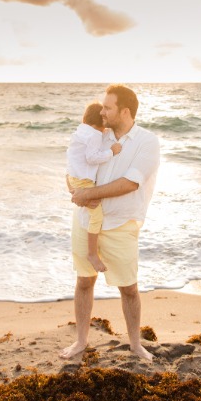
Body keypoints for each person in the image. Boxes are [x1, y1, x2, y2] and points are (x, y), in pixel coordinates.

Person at [60, 84, 160, 361]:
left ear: (125, 111)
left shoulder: (147, 142)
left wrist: (89, 193)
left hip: (120, 224)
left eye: (107, 107)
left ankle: (136, 344)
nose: (101, 111)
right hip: (84, 221)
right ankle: (81, 341)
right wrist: (74, 191)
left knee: (128, 287)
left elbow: (130, 182)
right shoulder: (97, 134)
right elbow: (72, 167)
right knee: (83, 282)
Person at [66, 101, 122, 273]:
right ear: (102, 122)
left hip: (72, 176)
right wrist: (112, 151)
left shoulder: (80, 130)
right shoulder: (95, 136)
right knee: (96, 217)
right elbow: (92, 157)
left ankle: (79, 197)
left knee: (89, 205)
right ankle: (92, 253)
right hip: (83, 181)